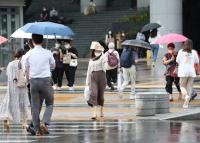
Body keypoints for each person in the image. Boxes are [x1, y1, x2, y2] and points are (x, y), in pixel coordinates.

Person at [26, 34, 55, 136]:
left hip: (33, 82)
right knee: (50, 103)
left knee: (35, 106)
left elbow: (25, 67)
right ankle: (45, 121)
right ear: (42, 41)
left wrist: (28, 80)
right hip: (45, 81)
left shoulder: (28, 53)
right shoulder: (47, 52)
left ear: (33, 41)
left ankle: (37, 130)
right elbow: (53, 65)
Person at [0, 48, 29, 132]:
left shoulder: (10, 64)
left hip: (11, 87)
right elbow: (25, 74)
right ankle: (24, 123)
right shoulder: (22, 63)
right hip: (21, 87)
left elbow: (7, 74)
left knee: (9, 103)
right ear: (23, 55)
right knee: (22, 104)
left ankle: (6, 119)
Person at [86, 41, 107, 120]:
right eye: (95, 51)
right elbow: (88, 70)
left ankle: (101, 110)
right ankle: (94, 113)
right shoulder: (91, 59)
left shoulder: (103, 56)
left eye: (98, 51)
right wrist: (87, 81)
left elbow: (106, 66)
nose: (96, 52)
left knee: (100, 95)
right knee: (94, 94)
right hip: (93, 77)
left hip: (101, 76)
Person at [176, 39, 199, 108]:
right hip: (191, 72)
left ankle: (186, 96)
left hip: (183, 72)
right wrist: (198, 71)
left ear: (184, 44)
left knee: (182, 86)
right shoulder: (194, 52)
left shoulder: (181, 51)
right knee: (189, 87)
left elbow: (177, 61)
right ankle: (186, 104)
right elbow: (197, 62)